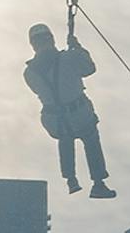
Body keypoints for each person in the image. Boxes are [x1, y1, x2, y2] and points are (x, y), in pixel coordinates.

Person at [25, 21, 115, 197]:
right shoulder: (68, 58)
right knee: (90, 138)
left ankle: (71, 179)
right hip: (78, 113)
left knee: (65, 136)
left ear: (33, 45)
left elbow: (39, 90)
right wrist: (77, 48)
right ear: (50, 39)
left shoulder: (29, 73)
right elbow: (89, 68)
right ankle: (98, 182)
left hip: (54, 119)